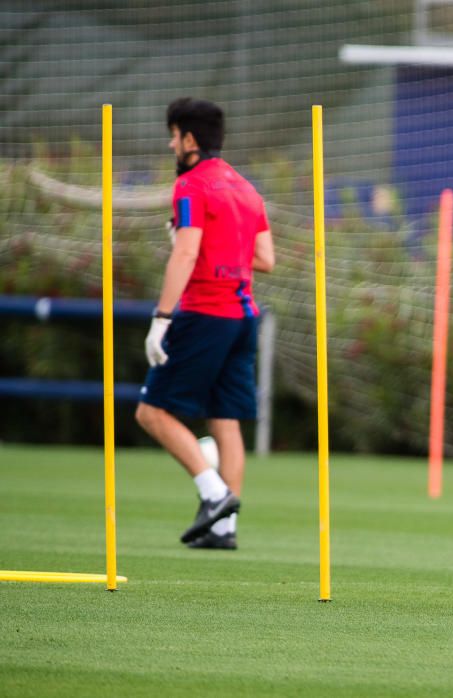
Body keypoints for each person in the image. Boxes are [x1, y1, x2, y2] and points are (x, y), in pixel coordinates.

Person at [135, 98, 275, 550]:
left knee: (151, 411)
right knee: (226, 419)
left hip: (205, 313)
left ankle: (214, 495)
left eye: (174, 136)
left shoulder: (192, 186)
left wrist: (161, 318)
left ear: (190, 140)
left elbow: (186, 252)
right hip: (244, 317)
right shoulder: (247, 189)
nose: (171, 144)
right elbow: (265, 260)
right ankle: (223, 529)